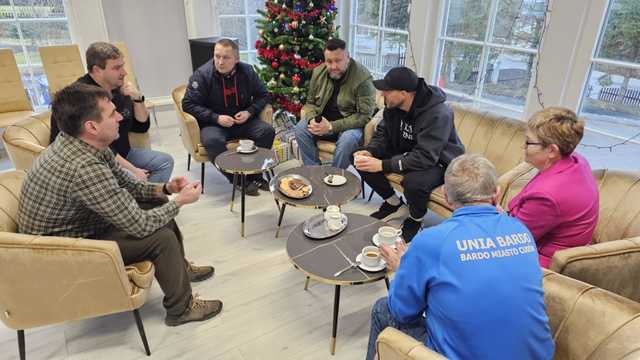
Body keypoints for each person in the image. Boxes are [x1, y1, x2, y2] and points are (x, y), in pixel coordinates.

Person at [20, 83, 222, 327]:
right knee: (162, 238)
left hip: (78, 225)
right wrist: (179, 201)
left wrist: (166, 189)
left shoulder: (82, 142)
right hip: (64, 249)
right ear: (91, 126)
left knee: (158, 207)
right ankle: (181, 310)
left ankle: (180, 271)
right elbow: (139, 225)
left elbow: (132, 187)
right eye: (112, 113)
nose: (119, 117)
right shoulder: (84, 167)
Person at [365, 154, 554, 360]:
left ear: (446, 195)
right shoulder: (520, 229)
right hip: (538, 355)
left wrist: (403, 270)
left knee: (382, 309)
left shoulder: (432, 241)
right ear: (497, 194)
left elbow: (402, 311)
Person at [355, 67, 464, 242]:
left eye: (388, 90)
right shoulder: (393, 105)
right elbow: (383, 134)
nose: (382, 93)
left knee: (414, 182)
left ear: (405, 93)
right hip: (408, 152)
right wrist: (371, 151)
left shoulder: (438, 113)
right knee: (360, 159)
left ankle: (415, 219)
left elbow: (426, 156)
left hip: (438, 161)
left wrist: (383, 165)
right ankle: (394, 204)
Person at [49, 42, 174, 183]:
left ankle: (144, 202)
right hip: (92, 161)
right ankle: (134, 201)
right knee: (133, 178)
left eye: (123, 66)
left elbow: (141, 128)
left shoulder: (118, 88)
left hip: (123, 154)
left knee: (164, 162)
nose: (124, 72)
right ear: (97, 70)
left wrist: (138, 99)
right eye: (117, 68)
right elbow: (95, 147)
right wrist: (133, 170)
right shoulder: (80, 98)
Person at [507, 107, 599, 268]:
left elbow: (511, 240)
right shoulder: (576, 161)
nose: (523, 147)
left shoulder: (547, 196)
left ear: (551, 150)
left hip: (538, 263)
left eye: (528, 142)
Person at [182, 38, 275, 196]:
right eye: (217, 56)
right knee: (212, 141)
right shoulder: (202, 75)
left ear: (236, 60)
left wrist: (250, 112)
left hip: (242, 120)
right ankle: (237, 180)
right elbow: (188, 104)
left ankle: (254, 175)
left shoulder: (247, 71)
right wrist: (215, 117)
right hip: (214, 123)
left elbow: (263, 95)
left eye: (225, 57)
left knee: (267, 131)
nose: (220, 61)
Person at [294, 38, 376, 169]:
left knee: (347, 140)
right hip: (323, 120)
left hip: (349, 124)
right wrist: (312, 120)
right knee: (300, 129)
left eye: (338, 61)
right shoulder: (318, 72)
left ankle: (335, 177)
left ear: (348, 58)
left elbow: (364, 116)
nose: (333, 66)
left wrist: (331, 126)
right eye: (329, 61)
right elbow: (310, 103)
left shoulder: (363, 78)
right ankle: (314, 170)